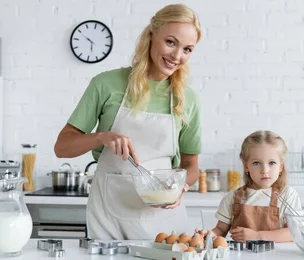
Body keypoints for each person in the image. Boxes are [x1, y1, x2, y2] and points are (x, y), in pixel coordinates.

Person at [54, 4, 202, 240]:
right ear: (151, 35)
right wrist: (101, 137)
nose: (177, 56)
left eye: (187, 49)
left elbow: (191, 164)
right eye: (171, 42)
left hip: (164, 222)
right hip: (108, 217)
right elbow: (61, 148)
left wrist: (181, 188)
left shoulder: (188, 99)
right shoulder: (106, 84)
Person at [195, 130, 302, 242]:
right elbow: (220, 230)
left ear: (281, 166)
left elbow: (294, 232)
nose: (264, 170)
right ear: (246, 166)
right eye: (256, 163)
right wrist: (209, 235)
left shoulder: (287, 195)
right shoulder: (232, 198)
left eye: (272, 163)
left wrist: (257, 236)